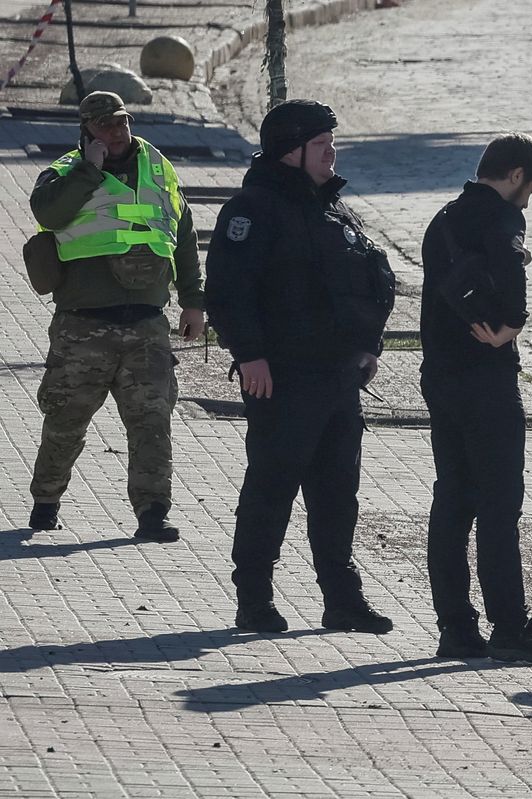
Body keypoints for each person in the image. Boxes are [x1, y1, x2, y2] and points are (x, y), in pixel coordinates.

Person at [206, 100, 396, 635]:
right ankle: (254, 599)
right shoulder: (253, 209)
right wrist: (249, 355)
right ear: (290, 152)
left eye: (331, 144)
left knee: (338, 493)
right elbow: (227, 291)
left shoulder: (331, 207)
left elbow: (369, 281)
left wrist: (369, 346)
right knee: (271, 487)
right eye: (321, 145)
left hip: (338, 377)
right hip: (282, 376)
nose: (331, 154)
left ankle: (342, 599)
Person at [419, 133, 532, 666]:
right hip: (486, 377)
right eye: (529, 190)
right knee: (500, 507)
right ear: (514, 176)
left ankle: (455, 628)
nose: (528, 201)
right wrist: (511, 327)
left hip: (439, 373)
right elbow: (512, 285)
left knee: (452, 500)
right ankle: (510, 625)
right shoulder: (503, 221)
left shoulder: (442, 218)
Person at [27, 90, 204, 542]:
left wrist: (193, 299)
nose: (117, 132)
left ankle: (152, 512)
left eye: (121, 123)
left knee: (153, 421)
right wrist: (91, 168)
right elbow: (48, 213)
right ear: (87, 132)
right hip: (84, 322)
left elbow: (181, 232)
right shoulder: (66, 172)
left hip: (147, 322)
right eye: (106, 126)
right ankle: (46, 500)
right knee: (66, 418)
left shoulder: (158, 167)